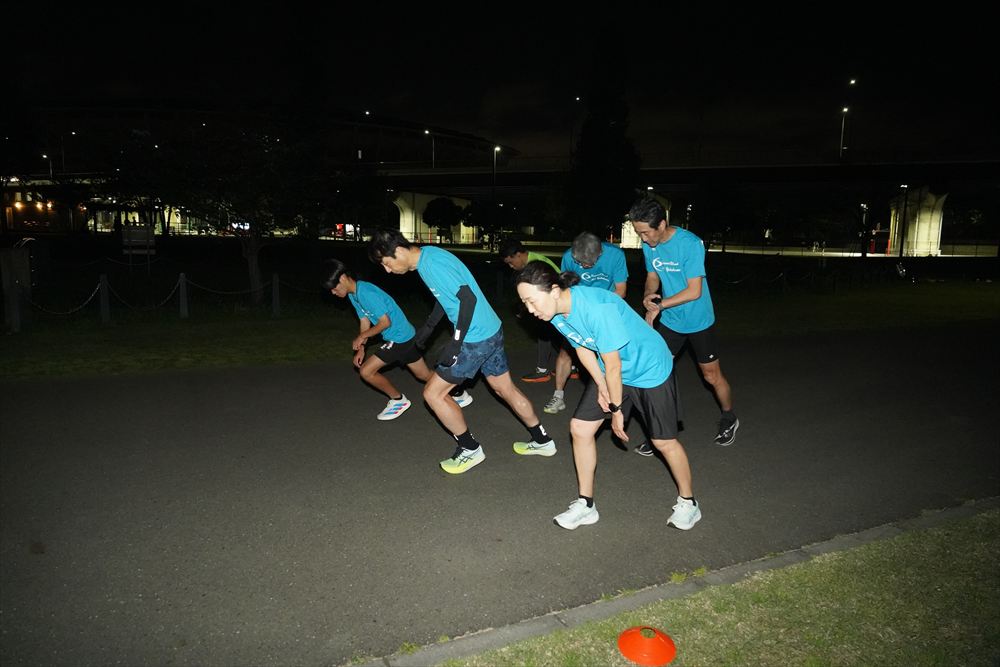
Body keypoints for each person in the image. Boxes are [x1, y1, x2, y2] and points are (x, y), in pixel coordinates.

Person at [515, 261, 701, 530]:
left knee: (663, 441)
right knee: (580, 428)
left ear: (554, 291)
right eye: (525, 303)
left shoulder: (596, 309)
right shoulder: (555, 314)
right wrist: (602, 387)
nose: (531, 310)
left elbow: (614, 366)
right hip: (613, 370)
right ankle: (586, 505)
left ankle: (689, 503)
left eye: (532, 301)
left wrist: (616, 410)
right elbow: (582, 348)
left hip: (649, 369)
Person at [369, 230, 557, 474]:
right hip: (491, 329)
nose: (387, 270)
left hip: (474, 338)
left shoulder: (431, 265)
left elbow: (467, 299)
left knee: (433, 394)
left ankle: (470, 449)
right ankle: (543, 440)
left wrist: (456, 345)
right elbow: (448, 297)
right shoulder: (428, 256)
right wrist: (428, 328)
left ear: (399, 251)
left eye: (386, 263)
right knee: (504, 388)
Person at [626, 194, 740, 450]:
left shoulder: (689, 244)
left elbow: (694, 291)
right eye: (639, 232)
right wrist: (648, 295)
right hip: (671, 321)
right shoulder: (649, 244)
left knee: (711, 376)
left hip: (699, 320)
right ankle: (661, 433)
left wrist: (660, 306)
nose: (643, 238)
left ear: (661, 224)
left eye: (645, 232)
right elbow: (652, 275)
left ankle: (729, 416)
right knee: (656, 373)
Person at [324, 259, 472, 421]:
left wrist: (361, 337)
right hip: (406, 336)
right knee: (423, 375)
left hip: (399, 338)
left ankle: (398, 400)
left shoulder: (366, 293)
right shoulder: (354, 295)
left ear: (343, 278)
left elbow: (384, 323)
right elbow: (364, 321)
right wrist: (361, 348)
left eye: (334, 288)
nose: (333, 292)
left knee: (366, 371)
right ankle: (458, 392)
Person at [542, 231, 630, 415]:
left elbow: (621, 291)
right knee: (566, 352)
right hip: (577, 312)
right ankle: (558, 396)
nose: (583, 266)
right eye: (580, 263)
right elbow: (566, 287)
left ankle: (614, 397)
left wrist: (595, 309)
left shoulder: (615, 255)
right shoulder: (568, 257)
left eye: (588, 264)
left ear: (600, 253)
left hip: (605, 312)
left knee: (611, 360)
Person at [499, 238, 561, 383]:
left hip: (556, 301)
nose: (511, 266)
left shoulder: (535, 264)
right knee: (550, 334)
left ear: (518, 255)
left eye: (511, 262)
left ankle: (544, 370)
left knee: (546, 333)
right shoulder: (530, 262)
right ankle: (569, 366)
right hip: (550, 301)